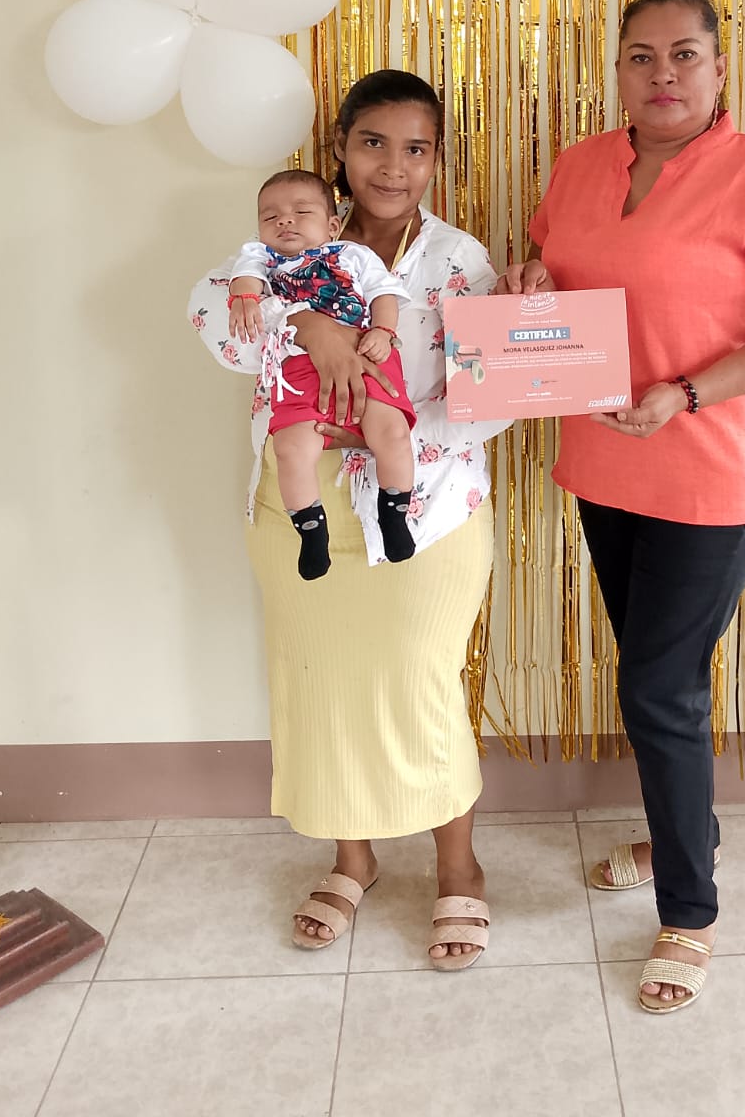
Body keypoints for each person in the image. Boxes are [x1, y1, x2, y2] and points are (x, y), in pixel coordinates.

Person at [500, 0, 745, 1014]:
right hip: (606, 465)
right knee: (662, 680)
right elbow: (561, 271)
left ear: (720, 69)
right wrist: (530, 285)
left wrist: (686, 392)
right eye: (641, 56)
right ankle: (685, 831)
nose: (662, 74)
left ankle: (690, 908)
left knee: (657, 690)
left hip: (710, 472)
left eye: (684, 54)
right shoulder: (579, 166)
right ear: (618, 70)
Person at [189, 70, 509, 969]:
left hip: (427, 507)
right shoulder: (281, 241)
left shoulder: (458, 261)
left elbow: (490, 398)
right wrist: (305, 320)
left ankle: (459, 868)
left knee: (422, 682)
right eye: (373, 143)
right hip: (299, 506)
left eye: (416, 149)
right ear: (340, 148)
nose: (393, 167)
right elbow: (217, 328)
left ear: (436, 160)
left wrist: (387, 431)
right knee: (320, 682)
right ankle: (352, 858)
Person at [226, 169, 418, 576]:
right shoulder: (263, 258)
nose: (285, 220)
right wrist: (244, 296)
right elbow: (245, 278)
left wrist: (383, 331)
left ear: (332, 226)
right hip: (298, 363)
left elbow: (384, 294)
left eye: (301, 212)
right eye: (271, 216)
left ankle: (394, 511)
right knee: (291, 448)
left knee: (392, 433)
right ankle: (311, 529)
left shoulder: (354, 255)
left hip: (368, 353)